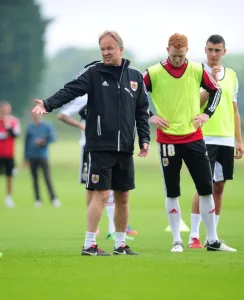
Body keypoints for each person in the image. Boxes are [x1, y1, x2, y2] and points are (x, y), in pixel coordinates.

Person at [32, 30, 150, 256]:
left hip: (125, 147)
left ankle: (120, 244)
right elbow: (70, 90)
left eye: (109, 48)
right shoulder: (94, 73)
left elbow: (142, 112)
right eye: (102, 49)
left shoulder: (135, 77)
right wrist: (48, 104)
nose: (105, 53)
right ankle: (89, 244)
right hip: (99, 146)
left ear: (120, 50)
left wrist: (144, 139)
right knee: (101, 195)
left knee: (123, 196)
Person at [144, 33, 236, 252]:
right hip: (167, 140)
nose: (178, 60)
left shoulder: (197, 69)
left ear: (188, 51)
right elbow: (132, 96)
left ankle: (212, 240)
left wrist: (206, 115)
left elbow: (216, 90)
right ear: (167, 51)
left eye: (182, 55)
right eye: (174, 56)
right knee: (172, 191)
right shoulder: (152, 73)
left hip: (194, 138)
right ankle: (177, 240)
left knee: (206, 188)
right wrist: (150, 116)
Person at [188, 35, 244, 248]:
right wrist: (209, 81)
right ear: (205, 50)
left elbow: (234, 109)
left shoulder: (232, 75)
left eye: (217, 50)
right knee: (204, 185)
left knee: (219, 187)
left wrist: (238, 139)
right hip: (203, 137)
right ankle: (193, 235)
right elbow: (196, 103)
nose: (213, 54)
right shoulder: (196, 73)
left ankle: (213, 237)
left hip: (226, 139)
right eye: (210, 50)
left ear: (224, 52)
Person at [57, 95, 138, 239]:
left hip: (110, 146)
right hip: (89, 147)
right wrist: (81, 125)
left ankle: (113, 230)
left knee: (113, 188)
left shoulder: (111, 93)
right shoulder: (84, 98)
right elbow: (62, 115)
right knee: (92, 188)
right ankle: (95, 228)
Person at [24, 111, 60, 207]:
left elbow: (53, 138)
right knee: (35, 179)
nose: (36, 116)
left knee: (47, 178)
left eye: (37, 114)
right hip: (32, 156)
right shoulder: (30, 127)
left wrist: (43, 141)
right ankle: (37, 199)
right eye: (34, 115)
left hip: (43, 156)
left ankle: (53, 199)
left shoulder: (47, 126)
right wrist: (25, 158)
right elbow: (26, 144)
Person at [0, 101, 21, 208]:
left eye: (7, 109)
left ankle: (8, 198)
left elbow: (15, 134)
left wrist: (7, 125)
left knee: (9, 177)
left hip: (9, 154)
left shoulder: (13, 121)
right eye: (3, 109)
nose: (5, 111)